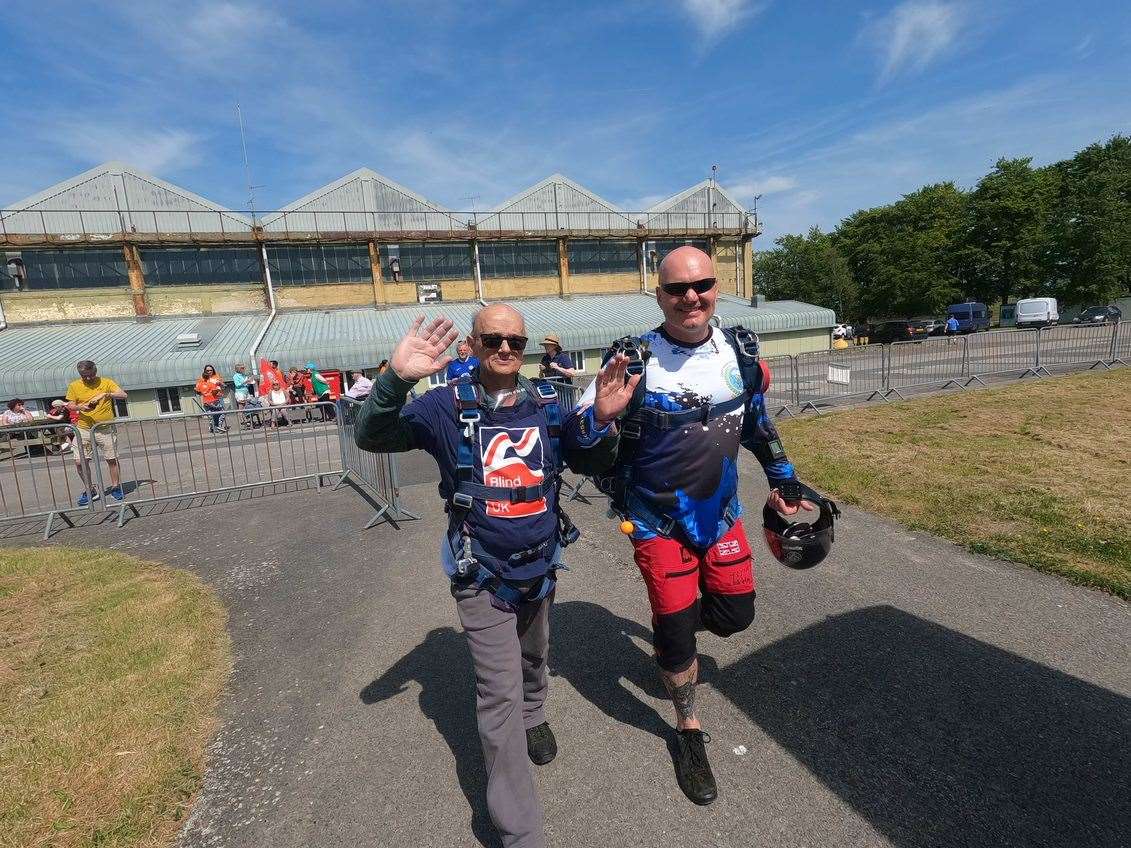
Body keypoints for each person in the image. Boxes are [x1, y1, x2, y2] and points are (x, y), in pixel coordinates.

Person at [562, 246, 816, 806]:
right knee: (677, 632)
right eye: (677, 289)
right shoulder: (632, 361)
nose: (691, 297)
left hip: (720, 514)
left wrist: (783, 474)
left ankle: (674, 629)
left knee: (735, 616)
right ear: (660, 296)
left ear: (716, 287)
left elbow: (756, 422)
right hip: (656, 524)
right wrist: (600, 417)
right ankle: (688, 728)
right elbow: (577, 444)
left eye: (701, 284)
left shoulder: (740, 351)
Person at [354, 305, 579, 848]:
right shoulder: (443, 406)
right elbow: (371, 436)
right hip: (480, 574)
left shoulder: (548, 403)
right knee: (496, 695)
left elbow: (595, 455)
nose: (506, 349)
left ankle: (536, 713)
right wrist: (394, 379)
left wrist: (610, 421)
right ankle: (521, 831)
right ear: (474, 345)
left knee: (533, 656)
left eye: (516, 341)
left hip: (541, 566)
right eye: (494, 339)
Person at [65, 360, 128, 505]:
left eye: (90, 375)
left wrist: (107, 394)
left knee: (111, 459)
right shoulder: (74, 386)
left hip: (105, 429)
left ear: (95, 371)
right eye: (83, 376)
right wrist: (80, 406)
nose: (87, 378)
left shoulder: (106, 382)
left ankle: (115, 487)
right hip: (84, 428)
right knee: (80, 462)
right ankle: (90, 489)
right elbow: (70, 405)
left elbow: (123, 395)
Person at [194, 365, 228, 434]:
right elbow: (199, 391)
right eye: (207, 371)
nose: (209, 372)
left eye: (210, 370)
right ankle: (217, 426)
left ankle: (214, 427)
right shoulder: (204, 381)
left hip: (212, 400)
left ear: (213, 370)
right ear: (205, 372)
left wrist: (220, 384)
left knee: (214, 414)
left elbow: (223, 386)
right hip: (213, 400)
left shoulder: (216, 377)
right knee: (221, 413)